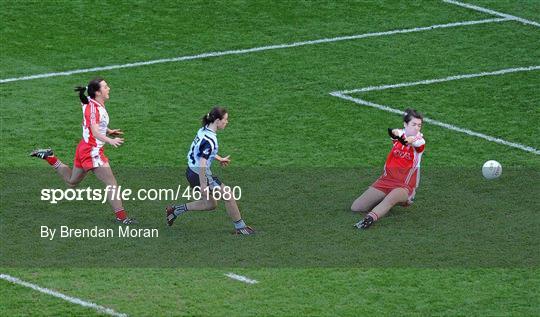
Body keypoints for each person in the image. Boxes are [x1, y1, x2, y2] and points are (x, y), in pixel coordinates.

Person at [30, 77, 137, 224]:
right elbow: (94, 131)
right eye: (105, 87)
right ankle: (122, 218)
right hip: (92, 151)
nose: (109, 88)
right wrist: (109, 140)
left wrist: (109, 130)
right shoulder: (93, 109)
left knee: (72, 181)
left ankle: (50, 157)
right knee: (111, 184)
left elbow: (95, 124)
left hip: (84, 148)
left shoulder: (90, 101)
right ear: (98, 92)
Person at [166, 106, 255, 235]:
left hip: (191, 171)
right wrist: (203, 185)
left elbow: (202, 151)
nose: (227, 122)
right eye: (225, 119)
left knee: (210, 204)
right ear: (217, 121)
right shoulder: (210, 140)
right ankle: (241, 228)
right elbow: (203, 161)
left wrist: (218, 159)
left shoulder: (203, 131)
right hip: (200, 173)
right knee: (228, 195)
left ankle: (175, 210)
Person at [351, 108, 425, 229]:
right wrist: (397, 133)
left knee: (390, 200)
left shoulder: (420, 141)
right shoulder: (399, 135)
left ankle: (369, 219)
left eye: (419, 125)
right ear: (405, 124)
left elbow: (414, 141)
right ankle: (389, 198)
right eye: (414, 124)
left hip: (404, 185)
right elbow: (395, 132)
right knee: (356, 207)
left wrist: (407, 139)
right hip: (386, 180)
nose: (417, 128)